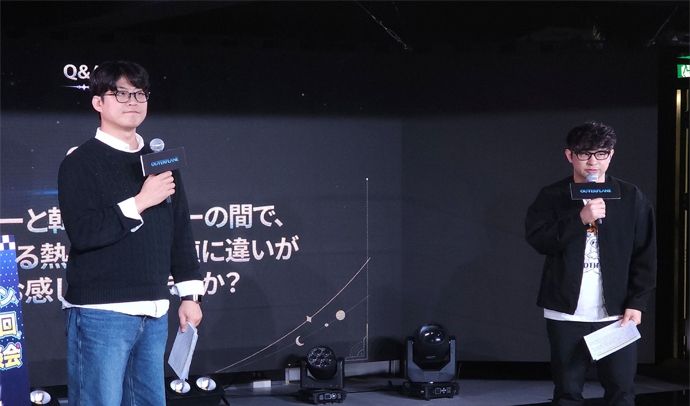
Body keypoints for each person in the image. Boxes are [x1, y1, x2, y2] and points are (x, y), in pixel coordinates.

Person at [58, 60, 204, 405]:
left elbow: (180, 228)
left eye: (139, 94)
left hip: (154, 309)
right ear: (98, 102)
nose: (133, 101)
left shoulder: (160, 161)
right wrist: (140, 201)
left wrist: (190, 295)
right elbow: (84, 232)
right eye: (121, 94)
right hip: (101, 311)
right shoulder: (80, 161)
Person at [525, 122, 656, 406]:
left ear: (611, 154)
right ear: (569, 155)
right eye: (584, 154)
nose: (593, 161)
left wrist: (637, 302)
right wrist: (580, 220)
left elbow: (645, 254)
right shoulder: (553, 195)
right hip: (566, 313)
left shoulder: (630, 196)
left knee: (622, 391)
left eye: (601, 153)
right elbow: (539, 240)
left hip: (616, 315)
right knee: (567, 392)